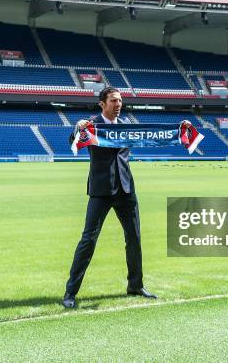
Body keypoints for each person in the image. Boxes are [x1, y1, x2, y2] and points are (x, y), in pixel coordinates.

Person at [62, 87, 157, 308]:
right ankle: (70, 293)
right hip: (101, 190)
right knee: (88, 240)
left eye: (121, 100)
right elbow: (73, 142)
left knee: (134, 238)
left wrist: (177, 131)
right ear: (102, 103)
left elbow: (153, 137)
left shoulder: (126, 128)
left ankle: (135, 285)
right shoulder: (91, 125)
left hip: (126, 189)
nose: (119, 104)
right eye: (114, 100)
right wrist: (78, 128)